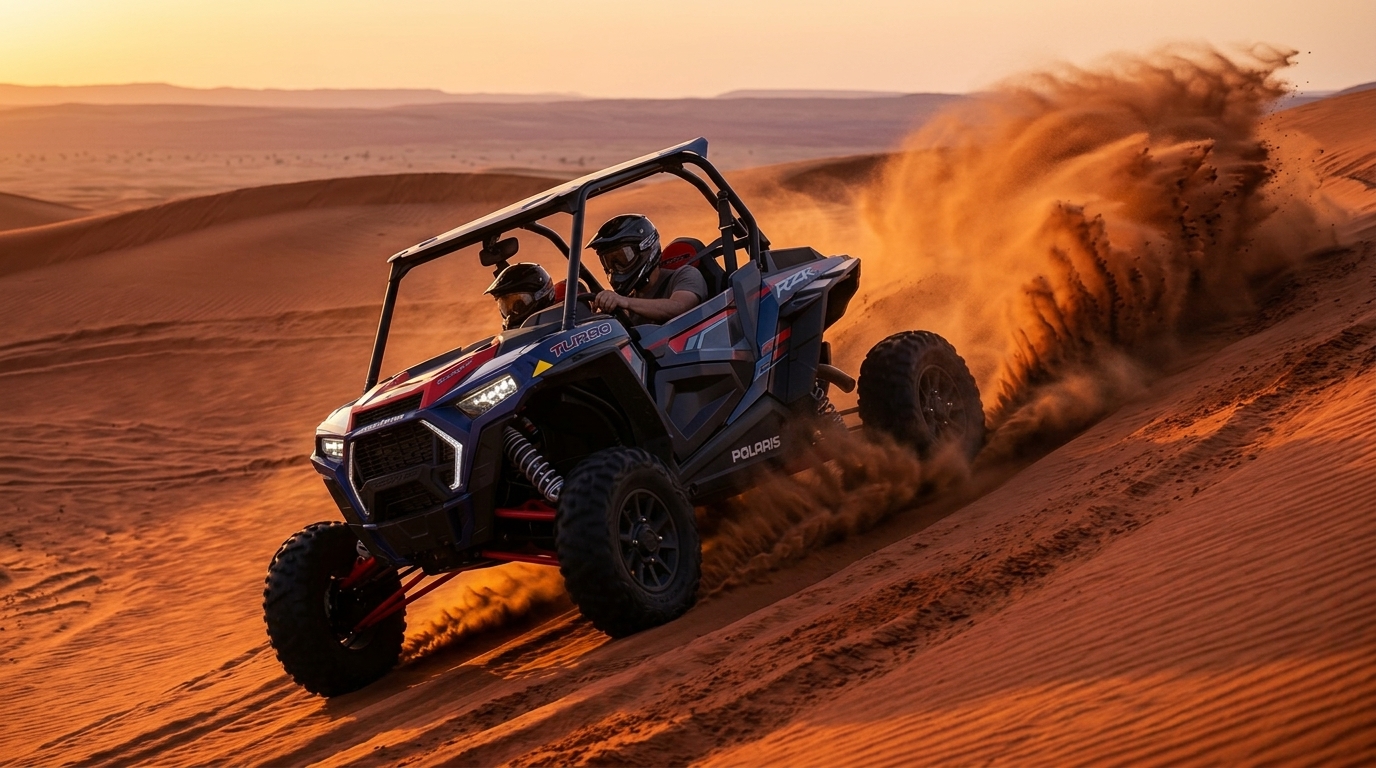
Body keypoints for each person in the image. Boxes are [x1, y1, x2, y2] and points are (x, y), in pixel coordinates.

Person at [589, 214, 706, 325]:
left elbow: (679, 307)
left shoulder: (685, 275)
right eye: (609, 262)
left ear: (645, 248)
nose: (616, 267)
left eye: (623, 257)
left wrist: (625, 302)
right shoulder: (628, 302)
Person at [484, 262, 555, 330]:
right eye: (505, 307)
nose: (511, 316)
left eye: (520, 305)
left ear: (541, 295)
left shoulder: (559, 327)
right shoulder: (514, 337)